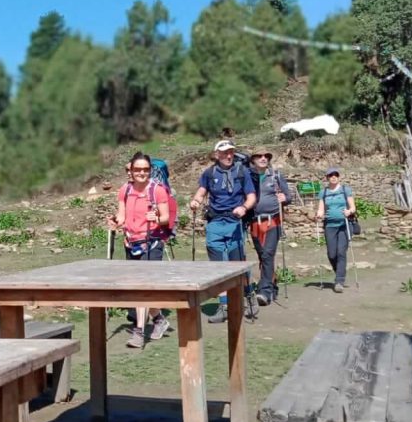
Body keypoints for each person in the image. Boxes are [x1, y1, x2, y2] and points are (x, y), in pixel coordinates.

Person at [188, 140, 258, 323]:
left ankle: (248, 296)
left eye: (231, 152)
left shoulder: (242, 172)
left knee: (238, 264)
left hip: (235, 222)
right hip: (215, 223)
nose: (229, 156)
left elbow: (251, 197)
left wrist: (244, 207)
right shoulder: (209, 173)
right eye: (225, 152)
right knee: (218, 266)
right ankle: (224, 306)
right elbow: (201, 192)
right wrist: (195, 201)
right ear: (217, 154)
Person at [108, 152, 172, 348]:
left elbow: (166, 218)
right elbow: (122, 216)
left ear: (150, 170)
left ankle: (138, 332)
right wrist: (115, 222)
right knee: (139, 288)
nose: (141, 173)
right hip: (131, 242)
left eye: (145, 169)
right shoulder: (124, 190)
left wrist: (156, 219)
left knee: (142, 288)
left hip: (151, 243)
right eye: (137, 169)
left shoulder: (158, 190)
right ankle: (160, 320)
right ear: (131, 171)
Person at [247, 148, 291, 305]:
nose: (263, 158)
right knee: (263, 257)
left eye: (266, 156)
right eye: (259, 156)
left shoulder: (276, 176)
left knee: (267, 255)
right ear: (253, 159)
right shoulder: (248, 177)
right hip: (254, 222)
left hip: (273, 221)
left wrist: (284, 198)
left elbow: (289, 197)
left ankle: (264, 292)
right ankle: (272, 286)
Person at [315, 166, 357, 293]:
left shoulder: (345, 190)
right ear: (327, 178)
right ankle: (339, 271)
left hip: (344, 224)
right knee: (331, 254)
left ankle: (339, 281)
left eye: (336, 175)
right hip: (330, 225)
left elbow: (353, 207)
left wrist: (349, 211)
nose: (333, 177)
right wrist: (319, 214)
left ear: (339, 177)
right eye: (331, 175)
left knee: (341, 252)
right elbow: (321, 208)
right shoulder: (324, 192)